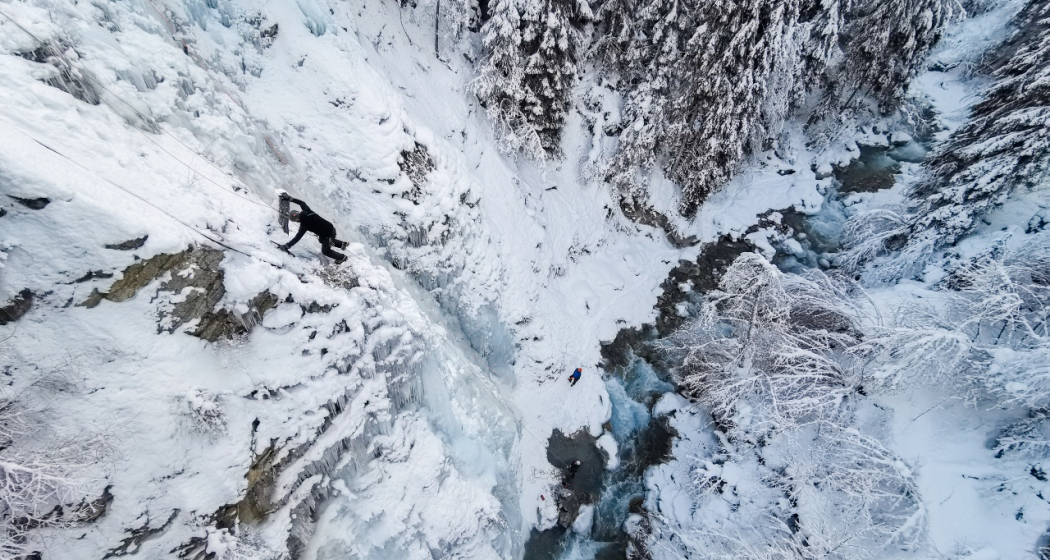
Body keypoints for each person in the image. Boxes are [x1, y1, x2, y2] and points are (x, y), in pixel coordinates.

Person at [278, 193, 348, 264]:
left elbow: (297, 238)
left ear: (296, 219)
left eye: (295, 220)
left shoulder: (304, 225)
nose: (296, 222)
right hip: (331, 228)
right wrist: (290, 199)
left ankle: (342, 257)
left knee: (325, 251)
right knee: (321, 240)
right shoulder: (307, 211)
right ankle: (341, 244)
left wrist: (287, 246)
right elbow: (302, 203)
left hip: (327, 234)